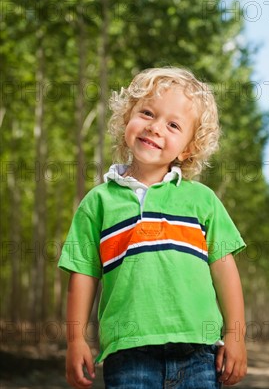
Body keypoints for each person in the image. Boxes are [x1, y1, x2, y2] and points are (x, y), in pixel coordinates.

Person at [58, 66, 248, 389]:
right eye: (147, 113)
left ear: (188, 147)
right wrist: (75, 339)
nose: (155, 128)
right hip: (128, 354)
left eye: (173, 125)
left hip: (198, 353)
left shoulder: (201, 200)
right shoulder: (98, 202)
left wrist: (236, 336)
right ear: (126, 119)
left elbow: (224, 269)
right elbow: (83, 274)